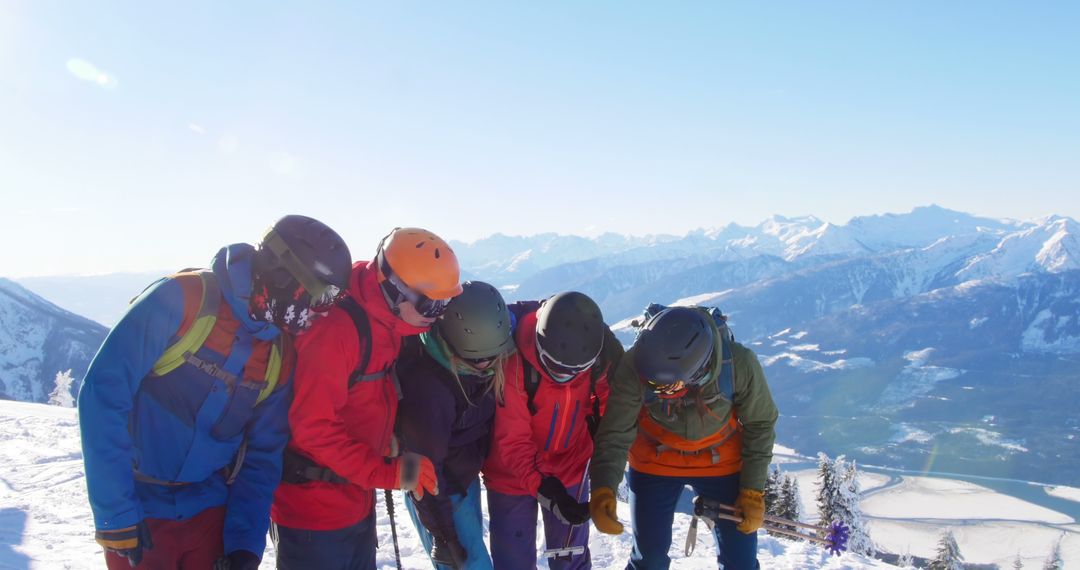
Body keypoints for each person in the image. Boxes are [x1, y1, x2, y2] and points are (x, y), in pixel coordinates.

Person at [79, 215, 352, 569]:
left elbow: (262, 458)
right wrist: (115, 513)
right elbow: (103, 396)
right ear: (284, 276)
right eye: (320, 297)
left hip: (210, 513)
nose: (319, 313)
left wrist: (244, 545)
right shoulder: (183, 299)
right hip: (139, 509)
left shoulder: (278, 355)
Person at [270, 227, 462, 570]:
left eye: (446, 303)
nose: (439, 314)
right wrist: (389, 473)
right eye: (432, 303)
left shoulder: (384, 320)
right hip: (315, 513)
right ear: (394, 290)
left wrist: (385, 440)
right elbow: (312, 430)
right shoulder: (336, 332)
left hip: (351, 495)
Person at [589, 306, 779, 570]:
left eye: (667, 386)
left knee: (741, 562)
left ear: (697, 373)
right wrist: (603, 487)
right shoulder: (636, 365)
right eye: (653, 383)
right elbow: (615, 431)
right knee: (649, 560)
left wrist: (752, 490)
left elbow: (760, 423)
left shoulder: (739, 364)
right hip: (654, 461)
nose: (657, 390)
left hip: (720, 462)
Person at [483, 291, 623, 570]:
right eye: (555, 368)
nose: (564, 377)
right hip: (511, 474)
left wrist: (604, 473)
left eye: (574, 372)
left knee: (569, 559)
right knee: (513, 563)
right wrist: (548, 491)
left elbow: (614, 413)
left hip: (571, 466)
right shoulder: (514, 362)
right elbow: (514, 442)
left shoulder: (599, 359)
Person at [396, 281, 517, 569]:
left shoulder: (483, 345)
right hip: (437, 491)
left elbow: (521, 314)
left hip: (462, 476)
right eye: (478, 359)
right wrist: (443, 535)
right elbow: (421, 471)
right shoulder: (430, 391)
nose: (487, 364)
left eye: (493, 356)